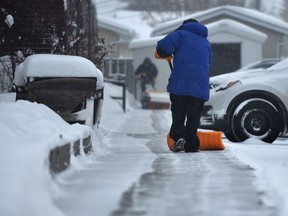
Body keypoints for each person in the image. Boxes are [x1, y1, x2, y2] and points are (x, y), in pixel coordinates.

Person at [155, 18, 212, 153]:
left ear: (184, 25)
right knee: (194, 116)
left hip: (181, 80)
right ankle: (191, 144)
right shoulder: (206, 42)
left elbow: (163, 47)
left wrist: (165, 53)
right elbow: (208, 62)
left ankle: (179, 136)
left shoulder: (180, 34)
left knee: (178, 112)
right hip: (200, 83)